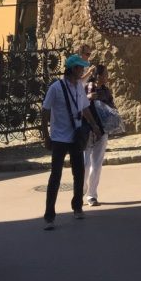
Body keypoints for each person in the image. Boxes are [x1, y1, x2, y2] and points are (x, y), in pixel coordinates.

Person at [40, 54, 101, 229]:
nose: (83, 70)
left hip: (75, 135)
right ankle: (49, 215)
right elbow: (45, 111)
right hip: (59, 137)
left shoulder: (78, 88)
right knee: (55, 176)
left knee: (79, 172)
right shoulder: (56, 88)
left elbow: (84, 108)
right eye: (80, 67)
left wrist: (94, 125)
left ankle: (77, 207)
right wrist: (46, 135)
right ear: (73, 69)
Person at [84, 64, 115, 206]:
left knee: (96, 164)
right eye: (105, 74)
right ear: (98, 76)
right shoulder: (87, 88)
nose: (107, 76)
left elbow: (112, 107)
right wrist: (88, 97)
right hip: (87, 130)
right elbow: (80, 105)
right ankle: (82, 188)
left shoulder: (106, 91)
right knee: (85, 164)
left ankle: (91, 195)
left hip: (102, 131)